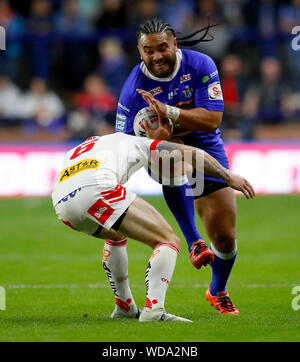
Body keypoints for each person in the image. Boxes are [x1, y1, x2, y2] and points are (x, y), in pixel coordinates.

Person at [51, 127, 255, 322]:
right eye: (160, 125)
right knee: (167, 240)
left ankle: (124, 306)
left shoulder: (95, 143)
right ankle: (154, 310)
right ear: (145, 130)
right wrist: (229, 178)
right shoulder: (139, 142)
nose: (168, 129)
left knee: (116, 234)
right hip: (96, 188)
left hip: (62, 202)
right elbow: (193, 155)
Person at [115, 18, 247, 314]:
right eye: (149, 50)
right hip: (166, 151)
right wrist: (154, 142)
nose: (157, 56)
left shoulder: (200, 65)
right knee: (171, 158)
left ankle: (217, 290)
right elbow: (124, 144)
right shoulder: (132, 89)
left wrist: (169, 112)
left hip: (205, 145)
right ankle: (193, 241)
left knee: (225, 237)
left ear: (174, 43)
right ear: (139, 51)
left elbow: (213, 119)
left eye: (162, 47)